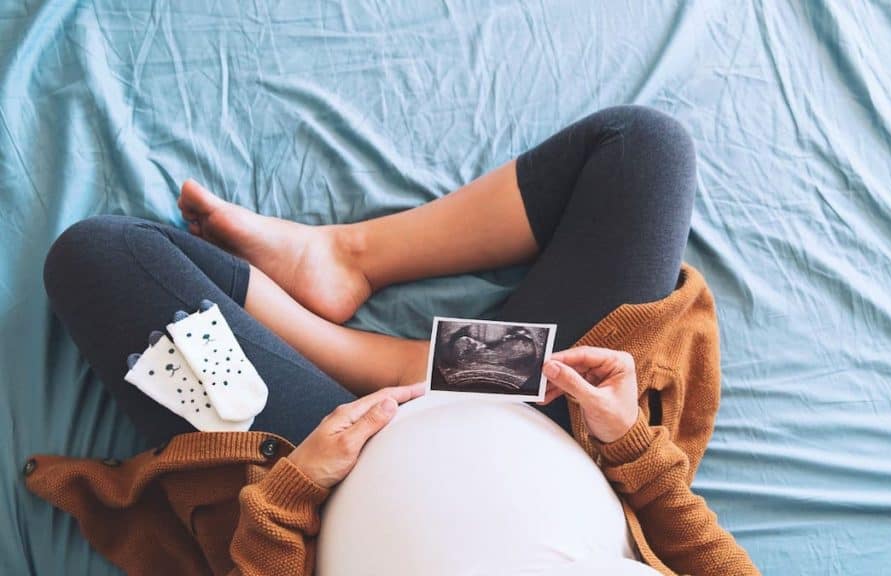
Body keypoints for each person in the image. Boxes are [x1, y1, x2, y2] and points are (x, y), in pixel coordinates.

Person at [30, 106, 760, 575]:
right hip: (551, 417)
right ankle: (354, 263)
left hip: (315, 466)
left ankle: (351, 349)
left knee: (99, 258)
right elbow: (703, 556)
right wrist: (629, 442)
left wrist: (295, 492)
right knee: (643, 151)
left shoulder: (305, 481)